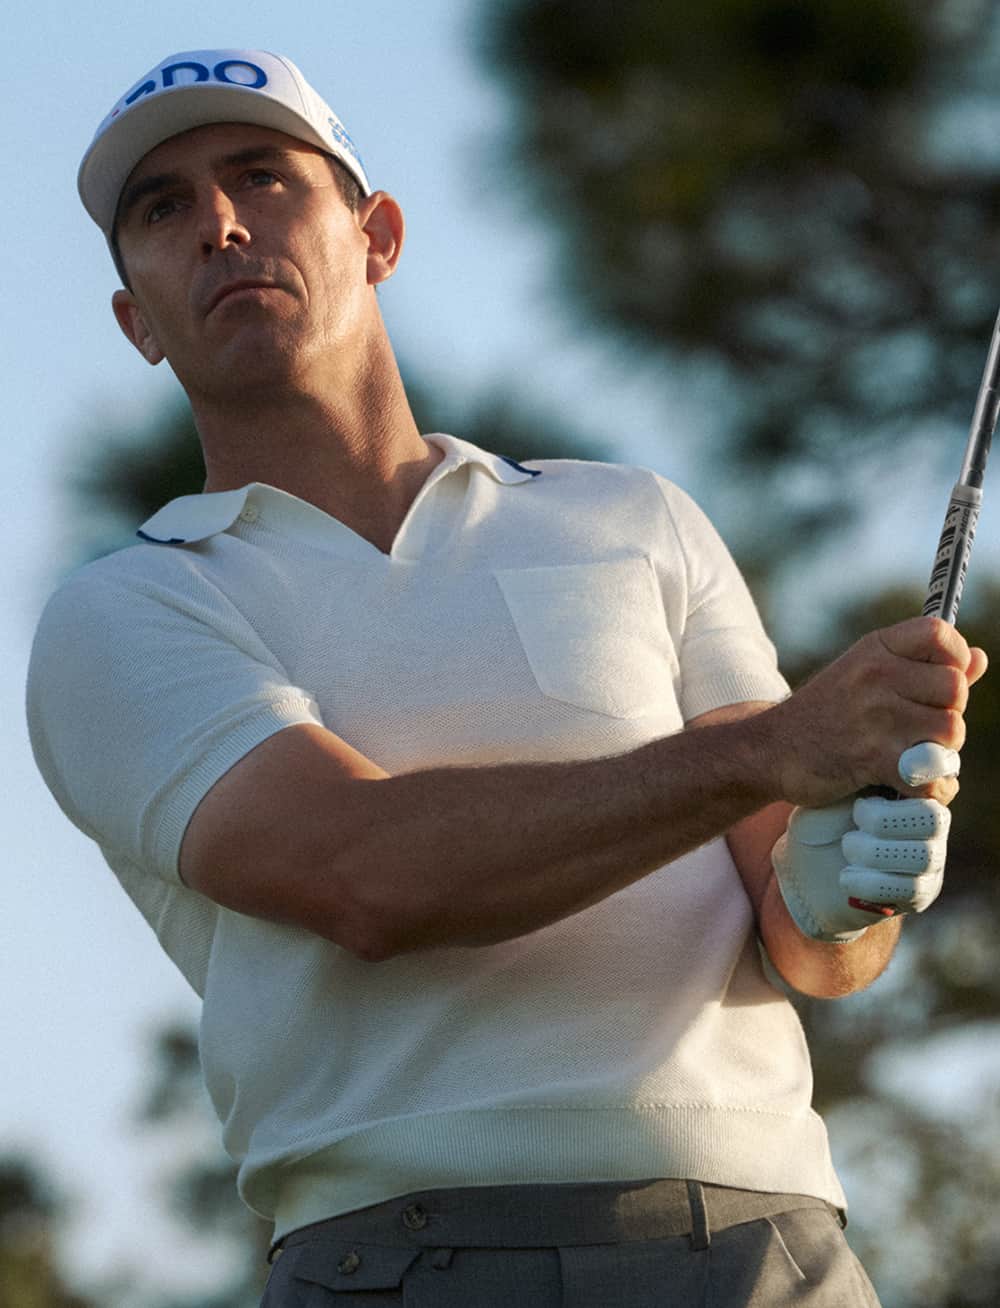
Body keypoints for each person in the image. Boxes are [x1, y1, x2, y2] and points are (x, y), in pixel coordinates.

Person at [27, 47, 987, 1307]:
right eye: (163, 208)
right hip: (402, 1259)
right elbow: (363, 875)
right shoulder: (125, 611)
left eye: (263, 177)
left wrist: (846, 894)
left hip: (771, 1242)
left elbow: (796, 932)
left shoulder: (634, 517)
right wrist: (768, 752)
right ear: (135, 321)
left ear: (377, 236)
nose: (218, 222)